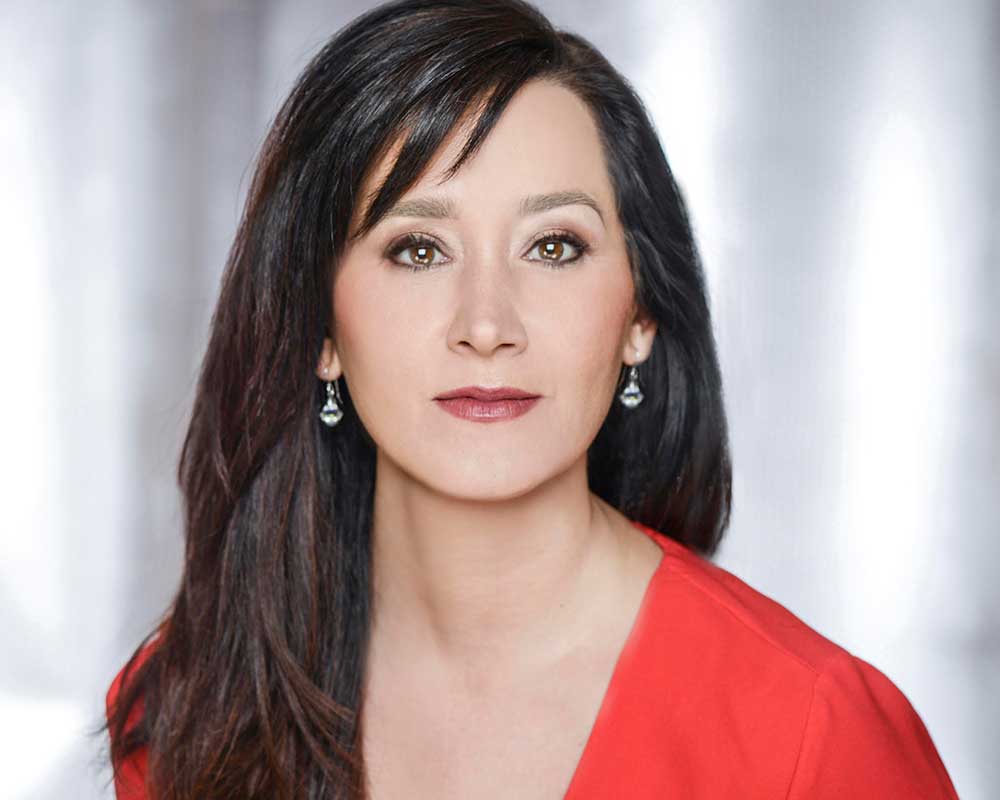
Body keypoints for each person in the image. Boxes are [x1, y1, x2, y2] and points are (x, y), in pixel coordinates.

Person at [103, 0, 959, 797]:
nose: (486, 324)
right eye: (416, 249)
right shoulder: (191, 706)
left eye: (553, 247)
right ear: (320, 326)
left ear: (640, 316)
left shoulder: (818, 734)